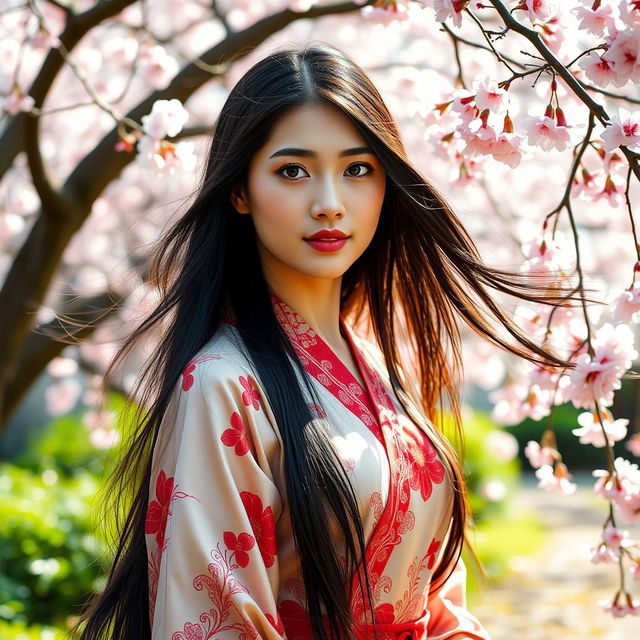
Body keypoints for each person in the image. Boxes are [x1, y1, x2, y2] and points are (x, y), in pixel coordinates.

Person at [75, 44, 568, 640]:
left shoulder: (384, 366)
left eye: (357, 169)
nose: (330, 203)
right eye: (293, 171)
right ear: (239, 191)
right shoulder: (222, 386)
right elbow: (218, 627)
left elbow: (434, 599)